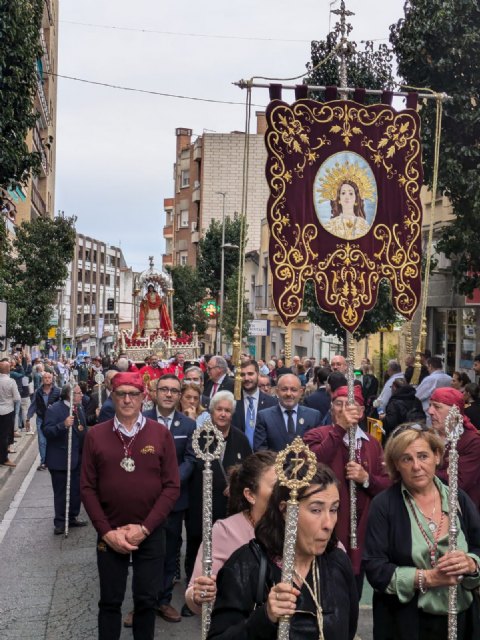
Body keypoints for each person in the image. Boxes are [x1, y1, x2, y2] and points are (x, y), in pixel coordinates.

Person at [207, 464, 359, 640]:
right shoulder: (246, 565)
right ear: (286, 510)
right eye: (316, 510)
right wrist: (265, 617)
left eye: (333, 509)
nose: (328, 523)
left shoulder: (337, 562)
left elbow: (348, 628)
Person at [80, 372, 180, 640]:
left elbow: (172, 486)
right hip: (110, 533)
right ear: (112, 396)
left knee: (147, 601)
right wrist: (106, 532)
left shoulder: (160, 434)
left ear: (143, 397)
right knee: (110, 602)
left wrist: (145, 529)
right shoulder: (95, 435)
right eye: (121, 393)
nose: (127, 399)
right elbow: (87, 487)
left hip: (150, 532)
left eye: (133, 394)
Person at [364, 424, 480, 640]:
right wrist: (427, 578)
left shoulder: (458, 497)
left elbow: (477, 546)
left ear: (437, 456)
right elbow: (375, 567)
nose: (416, 466)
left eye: (423, 456)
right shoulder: (384, 505)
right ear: (396, 465)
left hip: (463, 620)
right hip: (407, 624)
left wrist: (471, 564)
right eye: (406, 459)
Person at [304, 385, 390, 597]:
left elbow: (387, 485)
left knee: (352, 596)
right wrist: (340, 429)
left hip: (360, 532)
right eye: (338, 404)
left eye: (350, 406)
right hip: (326, 529)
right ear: (331, 408)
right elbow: (312, 465)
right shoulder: (317, 435)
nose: (344, 410)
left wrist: (367, 479)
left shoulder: (372, 444)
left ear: (361, 412)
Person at [185, 450, 277, 614]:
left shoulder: (299, 525)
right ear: (250, 495)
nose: (286, 493)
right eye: (276, 486)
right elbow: (194, 592)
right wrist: (200, 595)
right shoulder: (226, 531)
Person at [185, 391, 252, 603]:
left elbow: (249, 469)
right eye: (219, 410)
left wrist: (236, 484)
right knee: (197, 545)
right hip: (200, 503)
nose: (223, 414)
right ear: (211, 411)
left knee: (225, 550)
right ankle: (193, 593)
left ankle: (224, 593)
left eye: (227, 411)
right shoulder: (199, 435)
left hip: (228, 507)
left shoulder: (240, 438)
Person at [140, 373, 196, 624]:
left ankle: (163, 601)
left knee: (169, 551)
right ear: (154, 392)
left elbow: (190, 460)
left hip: (174, 500)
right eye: (164, 389)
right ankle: (142, 603)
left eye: (174, 390)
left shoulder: (188, 425)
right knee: (143, 552)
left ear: (179, 395)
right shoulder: (141, 421)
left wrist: (170, 482)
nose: (169, 394)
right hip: (144, 499)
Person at [43, 383, 88, 534]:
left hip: (77, 457)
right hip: (60, 458)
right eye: (79, 393)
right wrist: (63, 425)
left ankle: (72, 516)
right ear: (70, 395)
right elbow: (47, 431)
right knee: (62, 492)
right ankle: (60, 522)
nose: (82, 395)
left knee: (76, 490)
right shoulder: (55, 409)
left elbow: (83, 429)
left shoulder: (79, 407)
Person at [428, 387, 480, 510]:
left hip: (460, 512)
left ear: (454, 411)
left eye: (437, 407)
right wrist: (443, 472)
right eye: (430, 405)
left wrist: (424, 470)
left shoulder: (472, 442)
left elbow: (458, 482)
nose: (430, 411)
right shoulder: (427, 436)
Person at [254, 373, 321, 452]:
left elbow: (317, 450)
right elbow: (261, 451)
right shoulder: (264, 417)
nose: (289, 394)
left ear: (301, 392)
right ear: (277, 391)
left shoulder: (313, 416)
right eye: (284, 389)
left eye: (293, 390)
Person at [231, 360, 277, 448]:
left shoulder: (272, 403)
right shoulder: (232, 402)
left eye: (250, 374)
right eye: (242, 375)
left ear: (258, 374)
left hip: (263, 458)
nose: (246, 378)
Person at [26, 371, 61, 471]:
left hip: (53, 420)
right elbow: (33, 405)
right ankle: (43, 462)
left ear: (52, 379)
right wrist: (28, 418)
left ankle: (53, 459)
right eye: (45, 378)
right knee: (42, 441)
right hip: (41, 419)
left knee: (53, 440)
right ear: (42, 380)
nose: (47, 379)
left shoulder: (57, 391)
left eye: (49, 378)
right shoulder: (38, 392)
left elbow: (61, 405)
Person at [0, 361, 21, 468]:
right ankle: (4, 458)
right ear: (8, 369)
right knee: (4, 436)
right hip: (7, 410)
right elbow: (17, 398)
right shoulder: (11, 381)